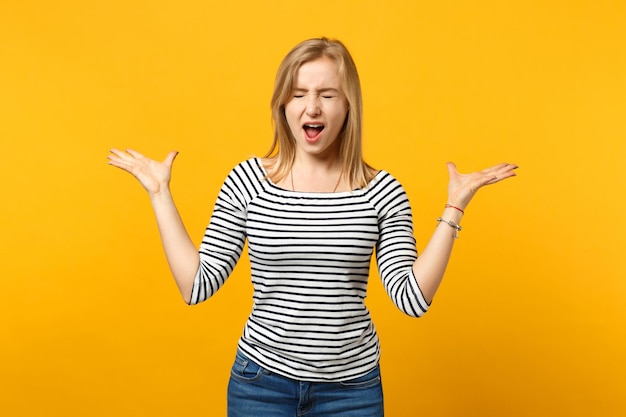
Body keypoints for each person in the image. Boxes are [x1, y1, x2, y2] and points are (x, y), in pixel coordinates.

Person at [108, 37, 517, 417]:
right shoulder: (248, 180)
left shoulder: (382, 191)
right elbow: (195, 286)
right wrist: (160, 193)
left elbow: (411, 299)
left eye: (326, 94)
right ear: (282, 105)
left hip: (352, 393)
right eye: (299, 94)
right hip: (260, 388)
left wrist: (454, 208)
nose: (312, 107)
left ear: (348, 105)